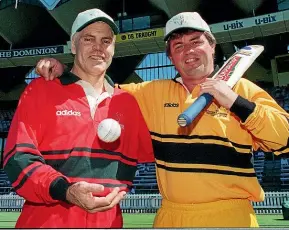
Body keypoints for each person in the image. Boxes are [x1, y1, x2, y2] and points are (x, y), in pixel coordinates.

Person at [36, 11, 289, 228]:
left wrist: (235, 102)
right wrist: (65, 71)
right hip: (171, 216)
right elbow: (99, 89)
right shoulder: (150, 93)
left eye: (196, 41)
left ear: (212, 46)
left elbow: (284, 139)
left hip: (231, 216)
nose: (188, 51)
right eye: (178, 46)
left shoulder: (244, 90)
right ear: (170, 58)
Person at [4, 8, 154, 228]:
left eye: (106, 41)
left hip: (109, 223)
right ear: (73, 46)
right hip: (45, 223)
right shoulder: (40, 90)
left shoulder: (127, 103)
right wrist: (65, 190)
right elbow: (17, 157)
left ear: (113, 48)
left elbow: (160, 153)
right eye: (88, 39)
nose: (98, 48)